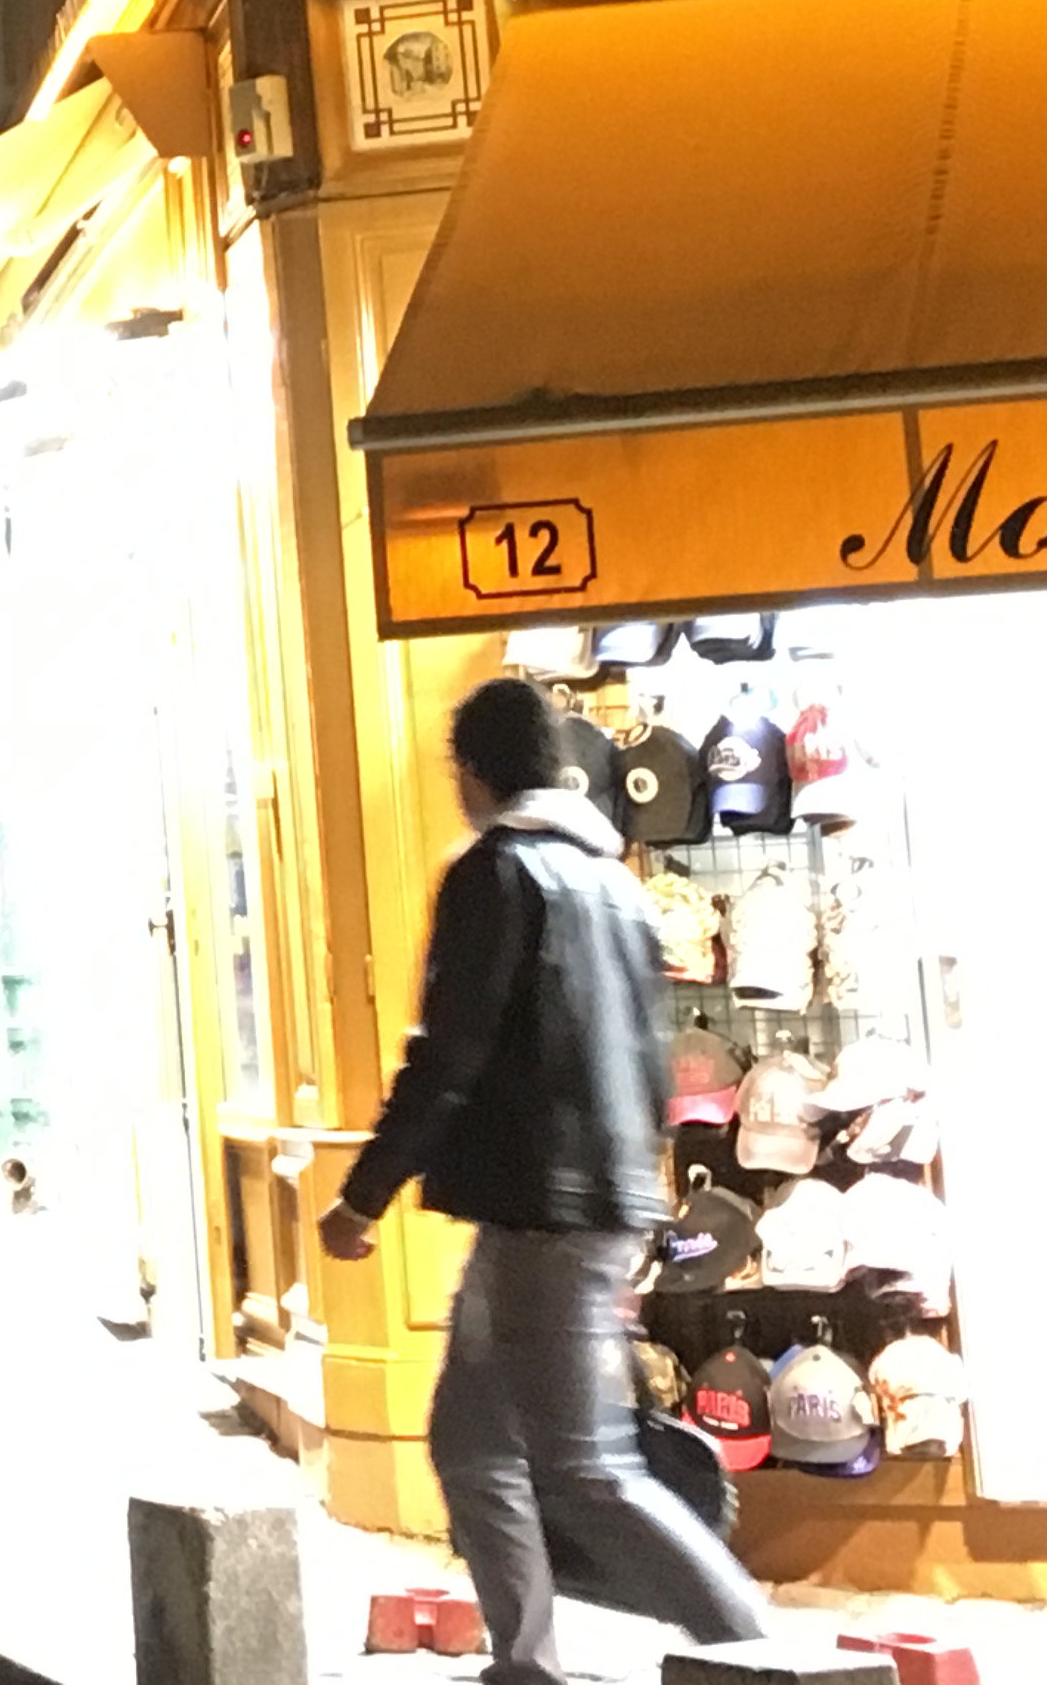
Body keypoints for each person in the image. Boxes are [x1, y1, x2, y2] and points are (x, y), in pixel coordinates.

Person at [316, 677, 770, 1685]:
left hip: (543, 1211)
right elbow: (648, 1053)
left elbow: (451, 1051)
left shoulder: (499, 873)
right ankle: (526, 1666)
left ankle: (770, 1656)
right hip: (583, 1200)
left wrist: (365, 1194)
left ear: (470, 773)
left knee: (583, 1464)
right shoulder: (612, 881)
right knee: (472, 1446)